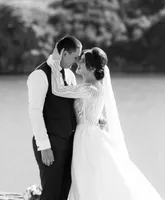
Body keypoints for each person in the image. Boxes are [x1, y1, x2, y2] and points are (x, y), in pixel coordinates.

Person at [47, 47, 164, 200]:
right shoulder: (97, 87)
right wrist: (99, 118)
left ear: (92, 68)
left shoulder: (88, 88)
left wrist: (54, 64)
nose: (78, 63)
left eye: (82, 61)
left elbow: (58, 90)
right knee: (91, 178)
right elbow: (93, 110)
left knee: (86, 179)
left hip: (86, 139)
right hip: (91, 134)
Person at [27, 36, 106, 200]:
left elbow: (77, 106)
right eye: (75, 57)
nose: (77, 62)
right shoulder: (39, 75)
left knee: (66, 192)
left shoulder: (69, 75)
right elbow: (35, 112)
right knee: (51, 193)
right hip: (51, 143)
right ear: (63, 53)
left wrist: (95, 118)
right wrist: (44, 146)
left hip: (73, 144)